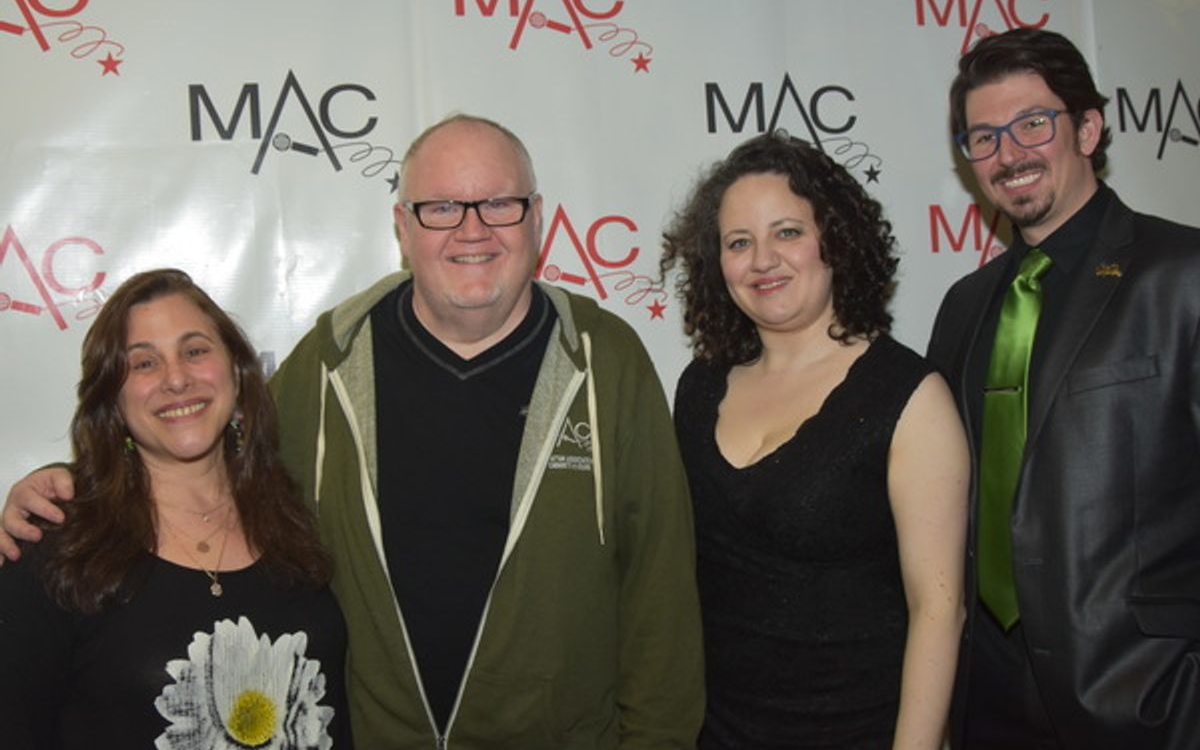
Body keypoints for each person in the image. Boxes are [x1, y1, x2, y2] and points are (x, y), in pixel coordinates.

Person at [2, 115, 705, 749]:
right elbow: (203, 437)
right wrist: (68, 487)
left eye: (499, 202)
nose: (472, 228)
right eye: (439, 208)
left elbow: (661, 593)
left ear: (537, 219)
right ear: (402, 226)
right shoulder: (332, 359)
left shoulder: (604, 360)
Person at [927, 27, 1200, 749]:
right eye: (983, 137)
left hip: (1147, 698)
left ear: (1088, 127)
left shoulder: (1182, 275)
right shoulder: (964, 305)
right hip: (984, 701)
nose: (1008, 154)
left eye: (1032, 124)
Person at [661, 131, 969, 749]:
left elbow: (939, 612)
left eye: (788, 232)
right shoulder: (699, 385)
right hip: (715, 733)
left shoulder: (909, 397)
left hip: (858, 730)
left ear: (836, 240)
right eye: (739, 242)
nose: (763, 260)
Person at [0, 268, 351, 749]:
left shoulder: (300, 513)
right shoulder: (57, 544)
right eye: (143, 364)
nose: (177, 379)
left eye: (195, 351)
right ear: (113, 400)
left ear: (237, 371)